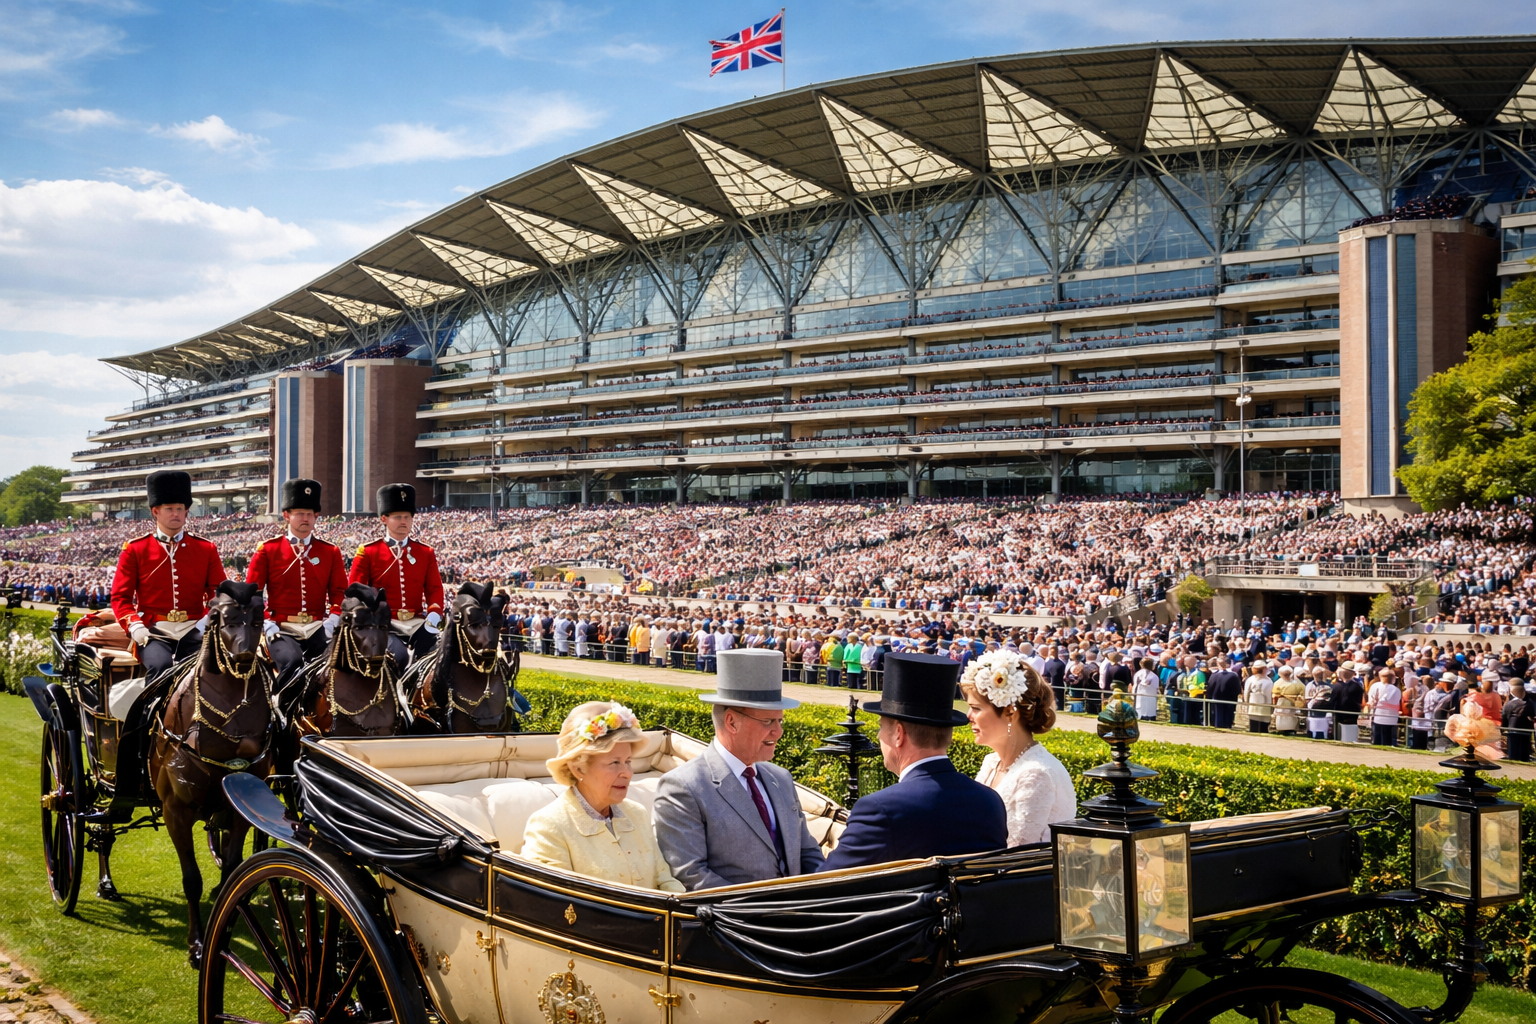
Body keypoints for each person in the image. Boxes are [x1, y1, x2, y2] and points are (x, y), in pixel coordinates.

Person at [653, 649, 825, 890]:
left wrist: (822, 894)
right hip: (736, 922)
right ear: (732, 722)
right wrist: (767, 911)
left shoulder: (780, 778)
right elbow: (691, 875)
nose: (778, 732)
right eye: (768, 722)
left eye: (780, 721)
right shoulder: (683, 787)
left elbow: (807, 851)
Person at [819, 652, 1007, 871]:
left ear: (898, 734)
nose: (879, 737)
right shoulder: (990, 801)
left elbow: (824, 885)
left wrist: (810, 850)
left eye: (881, 727)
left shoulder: (881, 809)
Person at [522, 701, 684, 892]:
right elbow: (556, 905)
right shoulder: (548, 827)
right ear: (578, 768)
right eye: (614, 762)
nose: (627, 773)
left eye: (628, 761)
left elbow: (665, 880)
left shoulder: (636, 814)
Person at [109, 471, 227, 680]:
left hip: (195, 628)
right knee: (161, 668)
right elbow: (120, 598)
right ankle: (150, 713)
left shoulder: (206, 548)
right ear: (155, 511)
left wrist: (208, 620)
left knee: (210, 672)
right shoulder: (135, 549)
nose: (176, 514)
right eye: (169, 509)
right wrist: (135, 625)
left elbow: (217, 593)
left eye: (180, 509)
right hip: (153, 631)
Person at [961, 652, 1076, 847]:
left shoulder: (1036, 774)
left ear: (1010, 713)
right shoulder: (991, 762)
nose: (968, 716)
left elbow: (1017, 854)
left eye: (976, 708)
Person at [246, 478, 346, 685]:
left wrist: (333, 621)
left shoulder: (330, 551)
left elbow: (339, 593)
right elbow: (253, 595)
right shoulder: (268, 549)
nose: (306, 518)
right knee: (292, 662)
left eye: (310, 514)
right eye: (300, 513)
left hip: (318, 627)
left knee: (337, 666)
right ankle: (280, 713)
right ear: (286, 515)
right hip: (281, 628)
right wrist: (266, 623)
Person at [347, 483, 444, 668]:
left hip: (417, 623)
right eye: (398, 517)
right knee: (398, 657)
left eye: (407, 517)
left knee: (441, 656)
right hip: (382, 625)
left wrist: (433, 617)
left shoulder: (425, 552)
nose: (404, 522)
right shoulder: (368, 552)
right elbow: (355, 594)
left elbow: (434, 589)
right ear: (384, 518)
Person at [1366, 667, 1403, 747]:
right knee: (1388, 739)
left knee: (1377, 739)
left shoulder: (1375, 686)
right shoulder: (1397, 690)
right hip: (1391, 718)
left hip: (1377, 717)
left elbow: (1370, 701)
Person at [1330, 664, 1365, 744]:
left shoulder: (1336, 686)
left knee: (1339, 739)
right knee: (1350, 739)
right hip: (1350, 716)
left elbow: (1332, 702)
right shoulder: (1357, 686)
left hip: (1341, 716)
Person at [1205, 657, 1242, 729]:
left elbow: (1209, 689)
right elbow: (1237, 690)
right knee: (1227, 719)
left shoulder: (1214, 675)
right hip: (1229, 700)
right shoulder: (1233, 675)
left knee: (1217, 718)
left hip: (1216, 700)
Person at [1242, 661, 1274, 734]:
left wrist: (1247, 703)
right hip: (1264, 705)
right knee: (1261, 724)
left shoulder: (1250, 679)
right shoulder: (1268, 681)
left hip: (1254, 704)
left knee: (1255, 723)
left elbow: (1246, 693)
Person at [1504, 681, 1532, 762]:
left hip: (1513, 728)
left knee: (1513, 746)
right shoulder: (1529, 703)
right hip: (1527, 729)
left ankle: (1513, 758)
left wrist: (1505, 726)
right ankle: (1524, 758)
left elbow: (1505, 714)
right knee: (1525, 746)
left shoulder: (1510, 703)